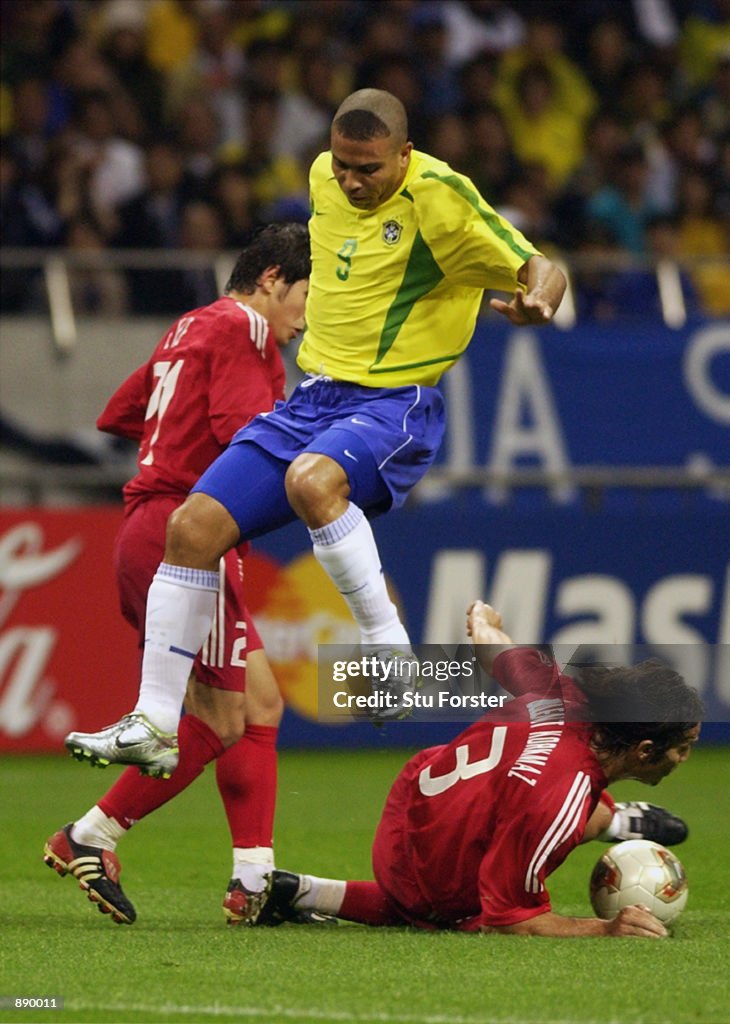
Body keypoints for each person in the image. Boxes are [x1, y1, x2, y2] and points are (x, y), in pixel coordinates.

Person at [65, 87, 566, 777]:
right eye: (343, 165)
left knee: (311, 481)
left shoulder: (440, 198)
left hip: (395, 401)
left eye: (370, 169)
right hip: (315, 397)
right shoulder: (323, 179)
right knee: (191, 529)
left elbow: (539, 263)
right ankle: (152, 721)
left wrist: (542, 296)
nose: (352, 181)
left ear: (405, 155)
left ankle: (389, 653)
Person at [45, 223, 310, 925]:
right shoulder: (249, 331)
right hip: (190, 540)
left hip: (148, 529)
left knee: (259, 706)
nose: (304, 321)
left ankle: (252, 876)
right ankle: (91, 834)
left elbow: (121, 413)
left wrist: (173, 448)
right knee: (222, 719)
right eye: (305, 297)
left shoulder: (189, 326)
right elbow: (245, 430)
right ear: (274, 279)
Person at [247, 602, 701, 938]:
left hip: (417, 795)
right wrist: (605, 929)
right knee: (461, 910)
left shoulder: (559, 692)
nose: (684, 759)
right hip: (428, 870)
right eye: (683, 748)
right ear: (644, 750)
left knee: (572, 805)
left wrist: (485, 622)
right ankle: (615, 820)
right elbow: (515, 920)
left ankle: (301, 890)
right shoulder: (560, 799)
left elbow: (495, 651)